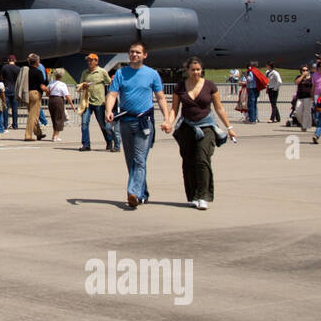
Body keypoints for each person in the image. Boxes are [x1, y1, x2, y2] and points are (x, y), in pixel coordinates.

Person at [163, 56, 237, 209]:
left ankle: (203, 196)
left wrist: (229, 128)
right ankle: (193, 195)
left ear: (201, 70)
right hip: (186, 128)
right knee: (188, 162)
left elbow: (219, 108)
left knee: (202, 160)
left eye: (198, 69)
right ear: (187, 70)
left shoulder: (210, 85)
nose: (196, 72)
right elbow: (175, 109)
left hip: (206, 127)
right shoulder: (180, 87)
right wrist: (169, 122)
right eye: (192, 70)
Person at [104, 42, 170, 209]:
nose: (135, 55)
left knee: (139, 159)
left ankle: (132, 193)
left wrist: (167, 118)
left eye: (138, 52)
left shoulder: (152, 74)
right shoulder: (121, 73)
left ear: (144, 55)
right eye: (132, 52)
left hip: (144, 123)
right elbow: (112, 94)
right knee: (131, 161)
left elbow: (161, 97)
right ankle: (142, 194)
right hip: (125, 122)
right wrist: (108, 110)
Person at [77, 54, 118, 152]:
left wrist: (110, 97)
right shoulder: (85, 72)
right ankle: (86, 144)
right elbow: (80, 84)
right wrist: (83, 85)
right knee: (84, 123)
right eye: (88, 60)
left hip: (99, 102)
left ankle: (109, 141)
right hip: (87, 102)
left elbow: (109, 83)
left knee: (102, 124)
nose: (89, 62)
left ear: (96, 61)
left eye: (91, 60)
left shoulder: (102, 71)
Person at [24, 53, 47, 141]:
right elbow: (42, 86)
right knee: (33, 116)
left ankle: (38, 133)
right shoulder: (38, 72)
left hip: (27, 93)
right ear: (37, 62)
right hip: (35, 94)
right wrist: (48, 91)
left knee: (33, 114)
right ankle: (28, 135)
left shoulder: (26, 71)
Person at [46, 69, 71, 141]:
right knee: (59, 118)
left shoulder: (51, 83)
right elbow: (67, 95)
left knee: (53, 117)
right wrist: (71, 104)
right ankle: (56, 136)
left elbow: (47, 92)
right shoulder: (62, 84)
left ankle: (54, 134)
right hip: (59, 100)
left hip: (51, 100)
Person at [0, 55, 21, 130]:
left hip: (6, 89)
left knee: (6, 108)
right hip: (15, 89)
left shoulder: (4, 67)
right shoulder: (18, 69)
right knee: (15, 109)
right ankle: (15, 125)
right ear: (15, 60)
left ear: (8, 60)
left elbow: (1, 78)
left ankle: (5, 125)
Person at [292, 65, 313, 132]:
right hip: (300, 97)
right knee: (298, 112)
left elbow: (313, 87)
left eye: (306, 70)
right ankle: (303, 123)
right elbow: (296, 82)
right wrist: (303, 76)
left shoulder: (311, 78)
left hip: (308, 97)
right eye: (303, 70)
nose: (305, 71)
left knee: (307, 112)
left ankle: (304, 126)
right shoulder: (299, 77)